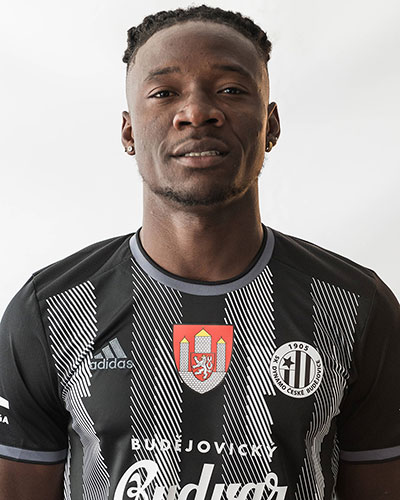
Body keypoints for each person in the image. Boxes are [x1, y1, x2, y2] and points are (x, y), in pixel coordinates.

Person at [0, 5, 399, 500]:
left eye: (231, 90)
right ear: (128, 132)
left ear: (270, 125)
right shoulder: (51, 310)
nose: (196, 112)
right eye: (165, 93)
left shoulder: (356, 305)